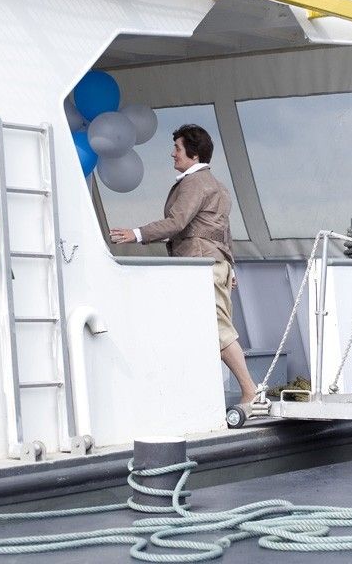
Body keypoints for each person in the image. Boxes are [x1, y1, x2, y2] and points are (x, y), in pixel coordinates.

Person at [109, 124, 258, 406]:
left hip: (202, 265)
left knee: (217, 330)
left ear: (194, 154)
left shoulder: (194, 183)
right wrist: (230, 265)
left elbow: (177, 222)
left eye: (177, 148)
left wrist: (136, 234)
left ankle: (250, 390)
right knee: (208, 330)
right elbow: (222, 230)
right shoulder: (218, 185)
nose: (172, 153)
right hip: (216, 263)